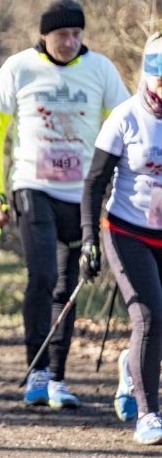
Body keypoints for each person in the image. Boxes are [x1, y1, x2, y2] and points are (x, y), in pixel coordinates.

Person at [0, 0, 129, 408]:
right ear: (45, 35)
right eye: (63, 34)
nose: (71, 41)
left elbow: (126, 122)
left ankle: (59, 378)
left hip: (81, 193)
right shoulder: (19, 67)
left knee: (70, 283)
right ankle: (37, 371)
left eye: (77, 33)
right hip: (33, 187)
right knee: (42, 276)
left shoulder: (100, 69)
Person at [81, 32, 162, 445]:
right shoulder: (126, 117)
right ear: (148, 77)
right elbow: (95, 183)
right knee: (148, 317)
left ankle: (132, 366)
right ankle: (149, 416)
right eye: (160, 78)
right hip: (127, 231)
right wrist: (87, 239)